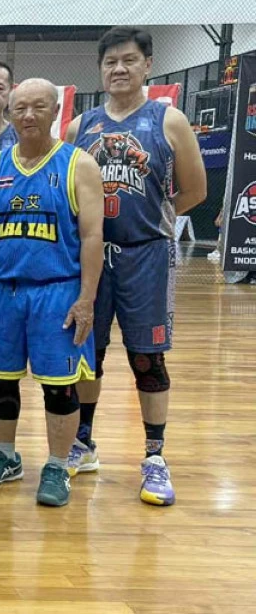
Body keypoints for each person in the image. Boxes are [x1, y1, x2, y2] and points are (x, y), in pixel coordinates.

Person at [65, 27, 207, 506]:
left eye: (129, 60)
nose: (119, 69)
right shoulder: (79, 126)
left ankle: (155, 456)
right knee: (87, 350)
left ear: (148, 65)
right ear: (100, 69)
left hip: (146, 252)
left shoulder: (169, 120)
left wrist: (156, 218)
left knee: (147, 356)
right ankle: (83, 442)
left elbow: (195, 190)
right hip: (91, 256)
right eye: (110, 62)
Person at [0, 78, 105, 507]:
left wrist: (86, 298)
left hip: (56, 290)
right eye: (20, 108)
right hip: (2, 290)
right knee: (0, 382)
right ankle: (5, 456)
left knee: (59, 387)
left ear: (55, 109)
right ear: (9, 113)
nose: (28, 115)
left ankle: (58, 465)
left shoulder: (78, 163)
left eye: (38, 107)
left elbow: (92, 237)